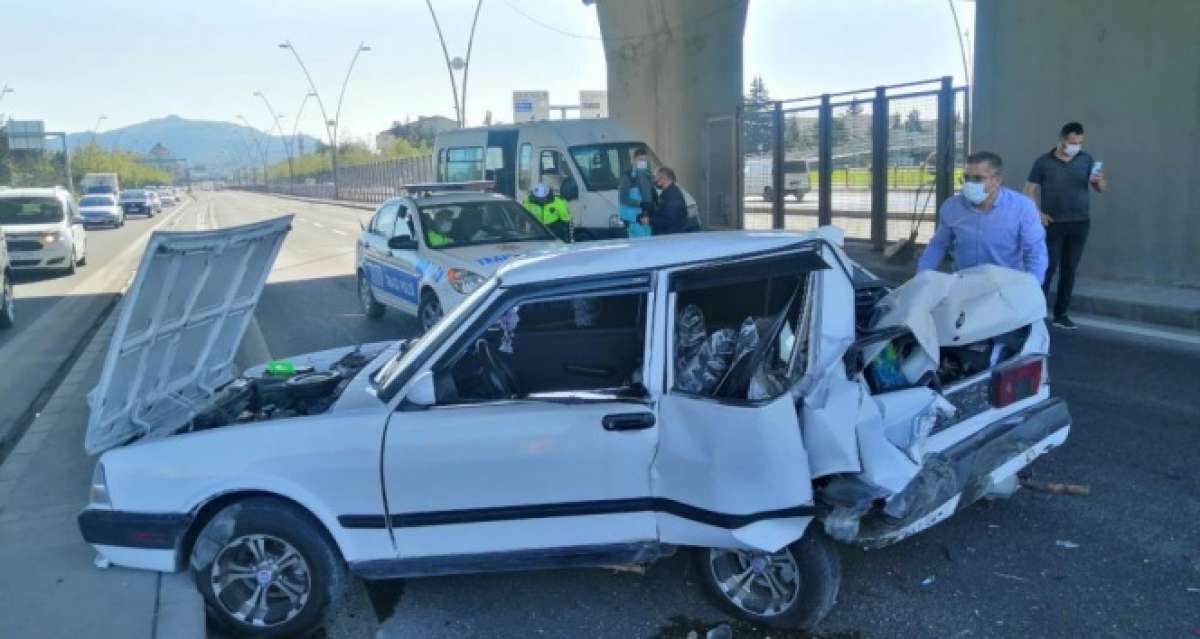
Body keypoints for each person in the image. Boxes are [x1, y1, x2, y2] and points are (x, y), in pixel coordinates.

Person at [1024, 121, 1108, 330]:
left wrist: (1098, 181)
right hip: (1053, 224)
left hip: (1080, 223)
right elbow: (1029, 190)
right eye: (1072, 142)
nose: (1075, 146)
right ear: (1061, 139)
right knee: (1047, 269)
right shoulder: (1043, 162)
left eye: (1079, 142)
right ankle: (1036, 314)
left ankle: (1061, 315)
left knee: (1070, 269)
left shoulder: (1086, 159)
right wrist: (1037, 214)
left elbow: (1102, 188)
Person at [917, 151, 1048, 283]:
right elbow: (939, 244)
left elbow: (1035, 251)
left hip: (1005, 286)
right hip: (964, 282)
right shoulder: (952, 207)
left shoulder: (1023, 208)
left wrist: (1033, 287)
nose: (969, 183)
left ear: (997, 180)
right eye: (966, 177)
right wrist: (922, 275)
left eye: (978, 178)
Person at [617, 148, 656, 238]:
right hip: (632, 219)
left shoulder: (647, 175)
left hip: (644, 218)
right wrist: (641, 204)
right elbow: (623, 199)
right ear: (634, 160)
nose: (643, 162)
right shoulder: (627, 177)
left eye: (645, 160)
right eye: (640, 160)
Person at [650, 166, 688, 235]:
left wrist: (650, 220)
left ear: (663, 179)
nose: (654, 180)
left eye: (655, 177)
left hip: (669, 237)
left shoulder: (673, 195)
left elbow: (670, 219)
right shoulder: (667, 193)